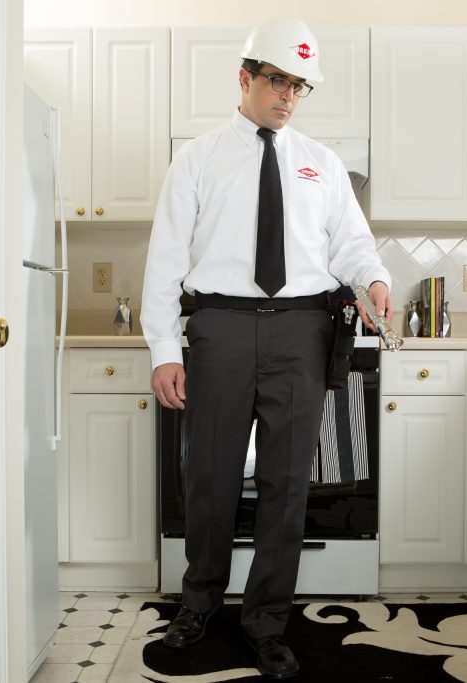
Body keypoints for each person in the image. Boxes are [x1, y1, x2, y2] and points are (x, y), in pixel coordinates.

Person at [140, 16, 392, 680]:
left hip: (303, 332)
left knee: (286, 483)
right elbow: (165, 261)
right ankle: (198, 605)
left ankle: (267, 620)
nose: (288, 97)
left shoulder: (321, 163)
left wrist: (375, 279)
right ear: (246, 78)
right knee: (211, 478)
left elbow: (352, 243)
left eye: (299, 86)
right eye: (278, 81)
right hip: (219, 328)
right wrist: (165, 346)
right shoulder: (196, 160)